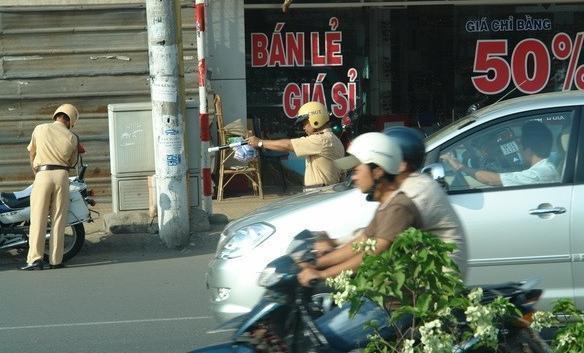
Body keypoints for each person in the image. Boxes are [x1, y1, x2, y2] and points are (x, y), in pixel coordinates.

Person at [312, 126, 468, 279]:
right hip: (420, 267)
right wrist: (333, 245)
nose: (354, 177)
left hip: (441, 277)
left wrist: (322, 271)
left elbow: (377, 245)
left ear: (400, 164)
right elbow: (368, 235)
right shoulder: (393, 190)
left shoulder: (414, 192)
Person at [20, 104, 80, 271]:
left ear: (57, 115)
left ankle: (35, 260)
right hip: (62, 176)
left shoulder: (40, 129)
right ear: (70, 120)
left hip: (43, 174)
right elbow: (72, 162)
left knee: (38, 218)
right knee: (59, 219)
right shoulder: (72, 137)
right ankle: (56, 260)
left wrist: (37, 172)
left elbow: (31, 153)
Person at [246, 101, 345, 189]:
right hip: (324, 193)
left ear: (315, 119)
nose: (303, 128)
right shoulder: (331, 139)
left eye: (304, 123)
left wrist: (260, 142)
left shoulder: (321, 140)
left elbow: (288, 145)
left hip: (320, 195)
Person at [441, 120, 559, 187]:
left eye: (519, 144)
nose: (518, 149)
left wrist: (461, 167)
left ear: (528, 148)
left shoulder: (540, 174)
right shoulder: (541, 169)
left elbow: (493, 180)